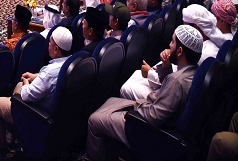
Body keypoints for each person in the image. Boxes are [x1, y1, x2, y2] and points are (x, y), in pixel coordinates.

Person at [83, 25, 203, 160]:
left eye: (172, 41)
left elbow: (154, 117)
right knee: (110, 101)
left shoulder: (176, 81)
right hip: (148, 108)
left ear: (180, 51)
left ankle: (91, 157)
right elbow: (168, 90)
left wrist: (137, 106)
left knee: (93, 120)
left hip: (143, 127)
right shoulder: (193, 71)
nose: (169, 45)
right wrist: (166, 66)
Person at [0, 27, 73, 158]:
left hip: (36, 113)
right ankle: (12, 134)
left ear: (56, 49)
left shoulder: (49, 72)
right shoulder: (69, 62)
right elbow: (54, 77)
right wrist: (35, 76)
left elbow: (27, 94)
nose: (48, 44)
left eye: (50, 42)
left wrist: (27, 81)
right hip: (56, 111)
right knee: (18, 85)